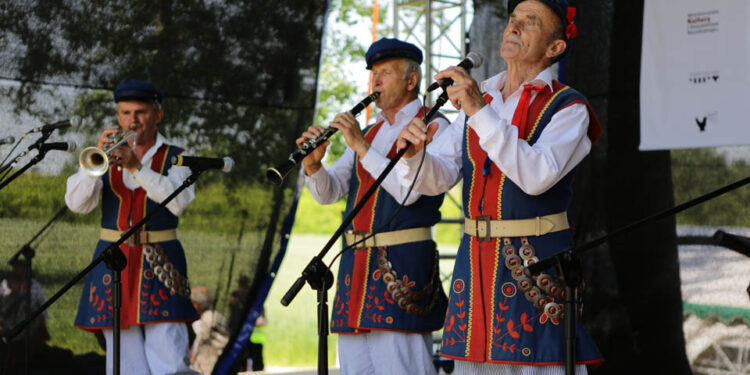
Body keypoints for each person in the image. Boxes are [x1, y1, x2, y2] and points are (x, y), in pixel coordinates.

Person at [396, 0, 604, 373]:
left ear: (555, 47)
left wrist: (479, 112)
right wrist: (414, 157)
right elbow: (438, 178)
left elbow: (537, 176)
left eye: (530, 22)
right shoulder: (482, 98)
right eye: (512, 19)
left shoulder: (569, 108)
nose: (514, 27)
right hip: (474, 266)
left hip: (536, 267)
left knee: (543, 363)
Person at [297, 38, 451, 375]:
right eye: (373, 74)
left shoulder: (433, 126)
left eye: (385, 73)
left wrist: (362, 147)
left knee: (402, 366)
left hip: (403, 264)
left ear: (412, 81)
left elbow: (408, 191)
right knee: (354, 368)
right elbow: (330, 192)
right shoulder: (370, 131)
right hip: (356, 269)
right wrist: (312, 165)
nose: (375, 82)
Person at [65, 80, 199, 375]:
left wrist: (137, 167)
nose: (132, 120)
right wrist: (91, 168)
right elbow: (77, 204)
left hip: (161, 258)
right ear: (117, 115)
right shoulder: (104, 153)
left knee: (170, 356)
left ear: (157, 115)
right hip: (113, 261)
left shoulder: (178, 155)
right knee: (123, 361)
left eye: (140, 112)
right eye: (125, 113)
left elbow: (178, 202)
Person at [189, 285, 229, 374]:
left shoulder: (209, 317)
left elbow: (201, 339)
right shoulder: (210, 315)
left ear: (196, 304)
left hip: (210, 360)